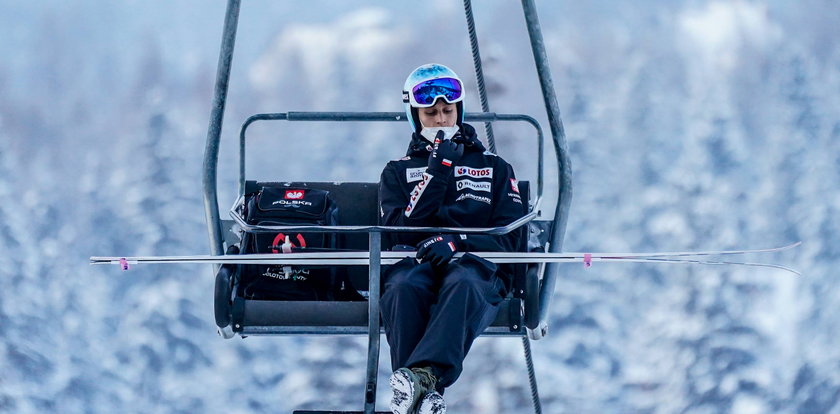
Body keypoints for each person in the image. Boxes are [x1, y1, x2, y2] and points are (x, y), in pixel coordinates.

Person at [378, 63, 525, 414]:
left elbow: (512, 236)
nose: (442, 119)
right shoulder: (398, 171)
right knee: (403, 287)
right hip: (418, 263)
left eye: (448, 111)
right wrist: (437, 171)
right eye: (431, 113)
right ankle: (424, 393)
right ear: (416, 117)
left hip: (477, 266)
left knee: (463, 281)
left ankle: (419, 382)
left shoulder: (494, 167)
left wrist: (459, 242)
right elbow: (398, 228)